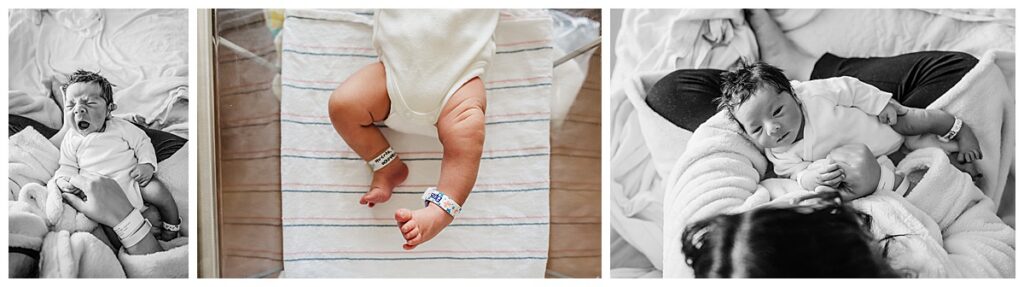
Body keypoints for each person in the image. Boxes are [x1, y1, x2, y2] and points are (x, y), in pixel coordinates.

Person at [327, 10, 498, 250]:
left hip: (458, 84)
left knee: (469, 134)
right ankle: (386, 164)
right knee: (342, 106)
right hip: (392, 78)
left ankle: (441, 210)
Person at [716, 61, 981, 197]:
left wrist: (881, 103)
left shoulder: (813, 95)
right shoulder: (780, 155)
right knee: (909, 170)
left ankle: (957, 129)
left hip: (883, 123)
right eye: (757, 129)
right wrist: (812, 178)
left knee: (913, 121)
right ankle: (960, 172)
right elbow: (797, 175)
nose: (772, 128)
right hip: (877, 158)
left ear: (793, 95)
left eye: (777, 111)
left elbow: (851, 88)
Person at [50, 70, 181, 241]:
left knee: (158, 191)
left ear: (109, 110)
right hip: (103, 197)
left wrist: (147, 164)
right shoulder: (70, 139)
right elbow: (67, 166)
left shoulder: (120, 127)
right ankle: (130, 239)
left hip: (134, 181)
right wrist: (64, 182)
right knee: (108, 229)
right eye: (70, 105)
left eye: (89, 103)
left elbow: (142, 142)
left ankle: (172, 227)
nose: (78, 110)